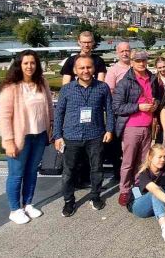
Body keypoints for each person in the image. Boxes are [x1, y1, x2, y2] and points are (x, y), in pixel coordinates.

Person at [53, 56, 114, 217]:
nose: (86, 71)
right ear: (75, 71)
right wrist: (57, 135)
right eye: (82, 68)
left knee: (97, 169)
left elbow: (109, 110)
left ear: (93, 69)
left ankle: (95, 196)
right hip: (71, 136)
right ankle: (68, 201)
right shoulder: (67, 89)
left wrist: (109, 130)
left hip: (95, 135)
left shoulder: (102, 87)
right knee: (68, 171)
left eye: (89, 67)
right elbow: (59, 113)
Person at [0, 50, 54, 225]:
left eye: (33, 63)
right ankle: (15, 209)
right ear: (19, 65)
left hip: (39, 136)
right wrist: (8, 141)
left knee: (31, 172)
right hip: (19, 138)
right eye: (26, 63)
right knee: (16, 174)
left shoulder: (42, 83)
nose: (30, 66)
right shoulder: (11, 87)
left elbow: (49, 108)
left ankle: (28, 203)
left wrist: (50, 128)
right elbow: (4, 116)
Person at [111, 50, 157, 207]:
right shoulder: (125, 82)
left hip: (148, 126)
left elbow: (156, 97)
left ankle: (139, 185)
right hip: (131, 126)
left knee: (143, 161)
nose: (141, 63)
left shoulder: (152, 78)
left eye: (144, 60)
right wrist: (138, 107)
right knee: (128, 161)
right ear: (131, 62)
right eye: (138, 61)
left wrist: (155, 105)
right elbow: (116, 107)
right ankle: (124, 190)